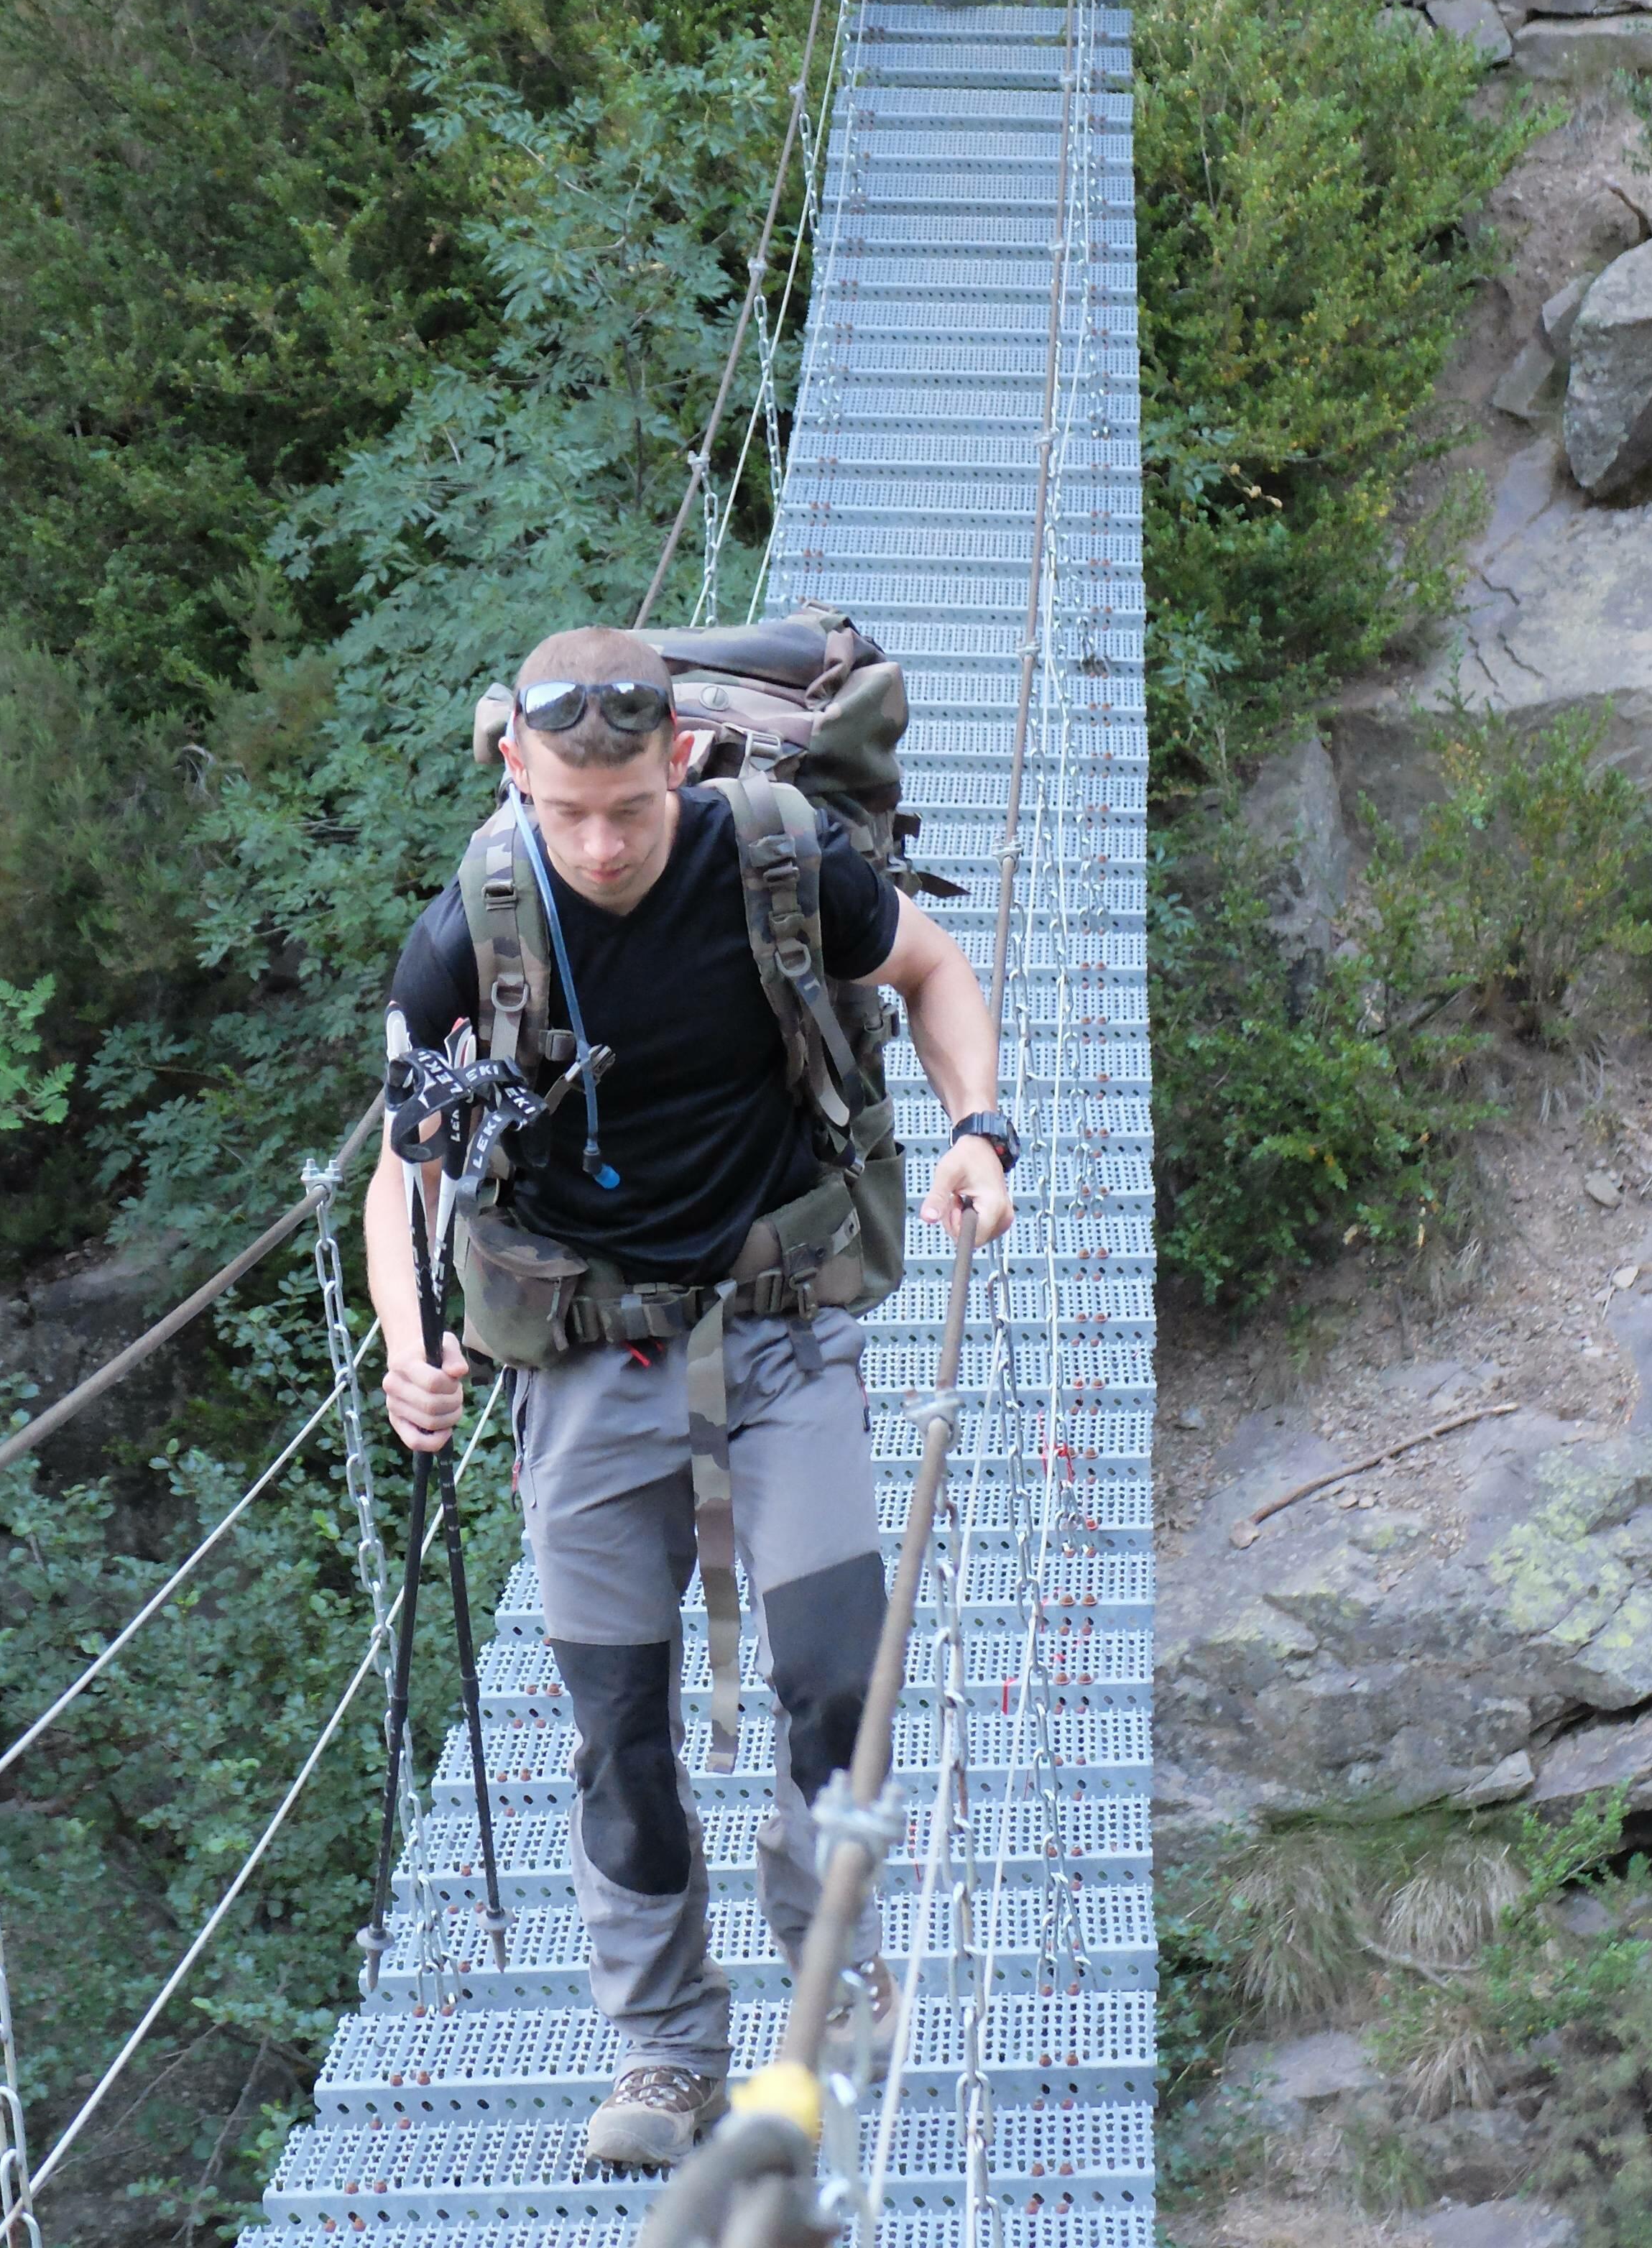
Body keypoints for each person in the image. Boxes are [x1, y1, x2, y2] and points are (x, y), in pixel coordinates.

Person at [371, 627, 1017, 2168]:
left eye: (628, 809)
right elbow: (407, 1162)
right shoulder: (472, 926)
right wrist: (409, 1339)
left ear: (677, 761)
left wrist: (980, 1129)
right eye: (566, 812)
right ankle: (665, 2051)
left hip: (780, 1327)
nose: (600, 846)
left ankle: (827, 1962)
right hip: (589, 1356)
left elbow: (930, 967)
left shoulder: (776, 859)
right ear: (516, 772)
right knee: (618, 1733)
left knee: (837, 1680)